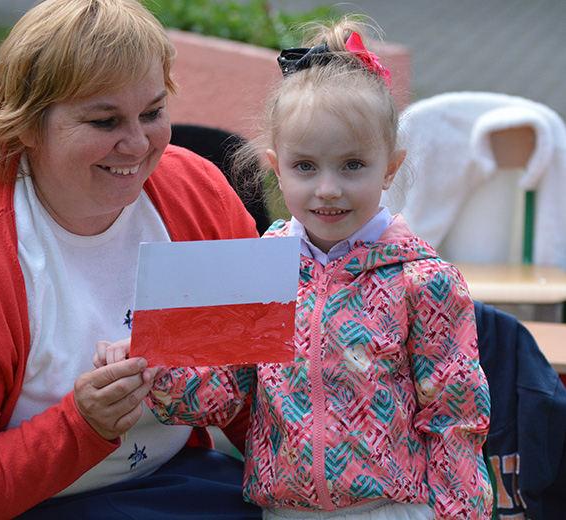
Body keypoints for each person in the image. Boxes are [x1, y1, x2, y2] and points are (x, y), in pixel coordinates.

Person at [0, 1, 262, 518]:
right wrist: (81, 426)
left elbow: (257, 380)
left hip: (162, 482)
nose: (137, 144)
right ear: (27, 125)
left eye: (152, 113)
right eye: (104, 121)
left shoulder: (197, 194)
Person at [97, 17, 493, 520]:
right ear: (276, 168)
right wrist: (153, 365)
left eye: (352, 165)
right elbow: (223, 394)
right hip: (285, 511)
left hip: (394, 508)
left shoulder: (423, 280)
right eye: (305, 166)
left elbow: (455, 413)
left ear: (390, 167)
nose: (328, 188)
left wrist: (459, 512)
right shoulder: (262, 266)